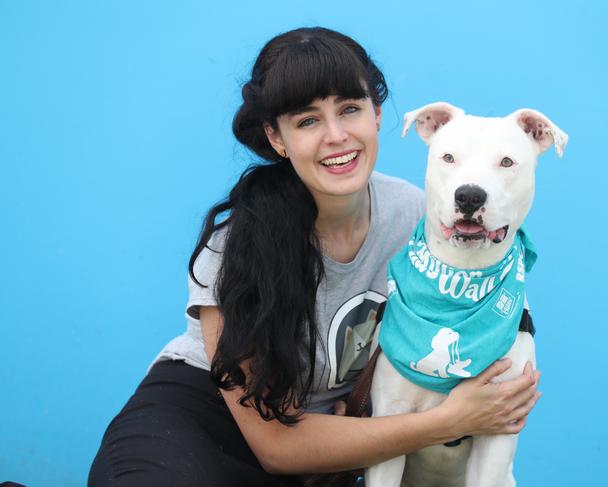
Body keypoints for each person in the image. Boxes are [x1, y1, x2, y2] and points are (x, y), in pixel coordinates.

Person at [88, 26, 540, 487]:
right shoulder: (237, 246)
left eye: (350, 109)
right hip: (198, 426)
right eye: (307, 121)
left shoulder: (423, 223)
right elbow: (275, 445)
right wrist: (453, 421)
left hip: (326, 444)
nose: (337, 136)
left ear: (377, 115)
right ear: (276, 138)